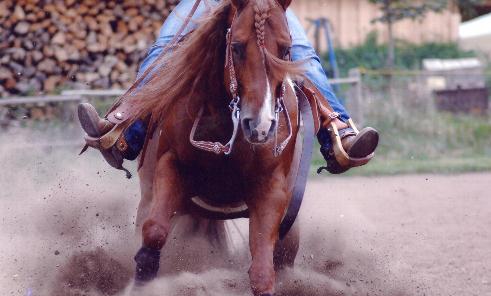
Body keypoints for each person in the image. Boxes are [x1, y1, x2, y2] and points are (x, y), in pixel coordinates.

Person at [78, 0, 379, 174]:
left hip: (269, 4)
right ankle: (124, 133)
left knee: (302, 57)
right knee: (164, 52)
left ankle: (338, 137)